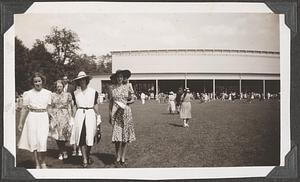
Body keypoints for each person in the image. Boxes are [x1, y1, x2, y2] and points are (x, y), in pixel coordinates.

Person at [17, 72, 52, 169]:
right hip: (32, 117)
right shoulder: (27, 94)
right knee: (34, 141)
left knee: (42, 141)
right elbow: (24, 109)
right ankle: (37, 164)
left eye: (39, 81)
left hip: (43, 117)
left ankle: (43, 162)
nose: (37, 83)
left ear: (42, 81)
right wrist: (20, 122)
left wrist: (51, 121)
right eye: (35, 81)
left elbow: (49, 108)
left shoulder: (48, 93)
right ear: (33, 83)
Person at [70, 71, 102, 168]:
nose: (82, 81)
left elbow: (96, 106)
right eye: (80, 80)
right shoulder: (75, 93)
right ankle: (84, 159)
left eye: (84, 79)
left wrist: (98, 118)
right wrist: (73, 118)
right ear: (78, 82)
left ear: (87, 80)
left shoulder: (94, 92)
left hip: (90, 115)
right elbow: (74, 107)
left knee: (90, 137)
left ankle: (87, 155)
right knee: (81, 137)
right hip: (80, 115)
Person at [108, 70, 136, 167]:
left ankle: (123, 158)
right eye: (118, 77)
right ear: (116, 78)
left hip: (126, 113)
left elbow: (133, 99)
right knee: (117, 138)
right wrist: (110, 114)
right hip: (116, 114)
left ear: (123, 78)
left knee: (125, 138)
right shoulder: (112, 88)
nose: (120, 78)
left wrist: (127, 103)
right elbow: (111, 103)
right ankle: (117, 157)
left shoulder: (128, 86)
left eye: (121, 76)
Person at [49, 80, 73, 160]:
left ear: (63, 86)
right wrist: (51, 116)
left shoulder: (67, 95)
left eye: (60, 86)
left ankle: (64, 150)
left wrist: (70, 116)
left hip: (64, 115)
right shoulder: (52, 95)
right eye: (57, 86)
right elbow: (51, 106)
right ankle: (61, 151)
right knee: (57, 135)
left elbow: (70, 106)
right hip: (55, 116)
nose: (58, 88)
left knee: (64, 134)